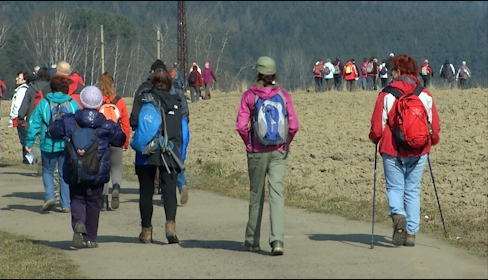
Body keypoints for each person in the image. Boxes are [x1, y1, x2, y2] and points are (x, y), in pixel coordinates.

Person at [368, 54, 441, 247]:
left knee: (394, 188)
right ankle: (411, 235)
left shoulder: (386, 94)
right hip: (419, 150)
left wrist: (375, 140)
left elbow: (377, 128)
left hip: (392, 150)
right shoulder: (424, 94)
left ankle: (398, 214)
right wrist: (431, 142)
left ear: (398, 72)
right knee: (413, 191)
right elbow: (434, 126)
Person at [235, 56, 299, 255]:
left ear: (257, 73)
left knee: (256, 195)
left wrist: (249, 143)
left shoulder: (249, 96)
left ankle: (252, 240)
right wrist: (286, 141)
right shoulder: (284, 95)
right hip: (279, 151)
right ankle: (277, 240)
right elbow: (294, 125)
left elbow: (240, 126)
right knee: (277, 194)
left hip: (256, 151)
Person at [48, 85, 126, 248]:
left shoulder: (69, 120)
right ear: (99, 103)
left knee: (77, 198)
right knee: (94, 202)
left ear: (81, 102)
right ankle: (90, 237)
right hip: (97, 170)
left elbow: (53, 131)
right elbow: (120, 139)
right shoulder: (106, 124)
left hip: (74, 168)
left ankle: (78, 223)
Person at [130, 68, 184, 244]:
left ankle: (146, 232)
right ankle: (170, 227)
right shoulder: (177, 100)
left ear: (152, 82)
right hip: (170, 150)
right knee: (169, 192)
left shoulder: (143, 98)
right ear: (169, 82)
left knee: (145, 193)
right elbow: (181, 127)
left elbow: (133, 121)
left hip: (147, 150)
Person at [25, 75, 81, 212]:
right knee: (64, 173)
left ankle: (50, 196)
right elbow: (79, 122)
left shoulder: (44, 103)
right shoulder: (72, 103)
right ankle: (66, 203)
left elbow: (34, 123)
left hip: (48, 142)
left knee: (48, 171)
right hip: (66, 143)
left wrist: (29, 142)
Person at [98, 72, 130, 211]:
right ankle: (116, 188)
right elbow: (125, 123)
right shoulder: (119, 101)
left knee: (103, 171)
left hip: (101, 140)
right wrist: (125, 141)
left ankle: (103, 201)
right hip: (116, 139)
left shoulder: (97, 100)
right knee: (116, 168)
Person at [18, 66, 51, 174]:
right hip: (48, 119)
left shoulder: (32, 88)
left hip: (33, 119)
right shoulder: (51, 87)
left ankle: (39, 159)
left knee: (34, 144)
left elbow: (26, 104)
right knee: (46, 143)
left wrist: (21, 117)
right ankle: (47, 164)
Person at [9, 71, 31, 164]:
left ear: (24, 79)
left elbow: (18, 105)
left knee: (24, 139)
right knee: (24, 138)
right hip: (23, 117)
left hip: (20, 118)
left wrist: (14, 115)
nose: (16, 79)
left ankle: (27, 159)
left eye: (19, 77)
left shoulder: (22, 90)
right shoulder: (25, 89)